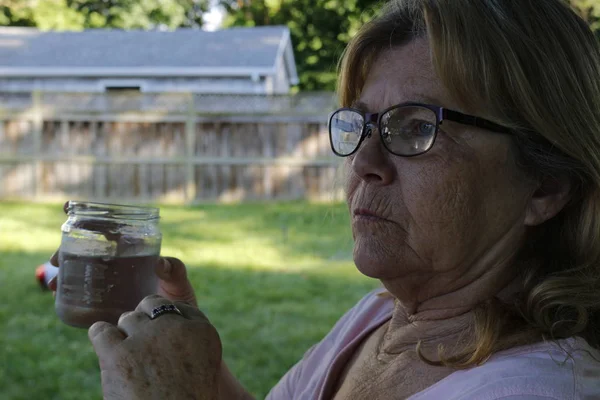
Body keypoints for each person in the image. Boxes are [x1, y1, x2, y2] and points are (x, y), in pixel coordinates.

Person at [49, 0, 600, 398]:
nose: (363, 163)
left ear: (546, 186)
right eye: (361, 125)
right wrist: (192, 359)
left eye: (413, 129)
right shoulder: (379, 317)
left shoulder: (537, 388)